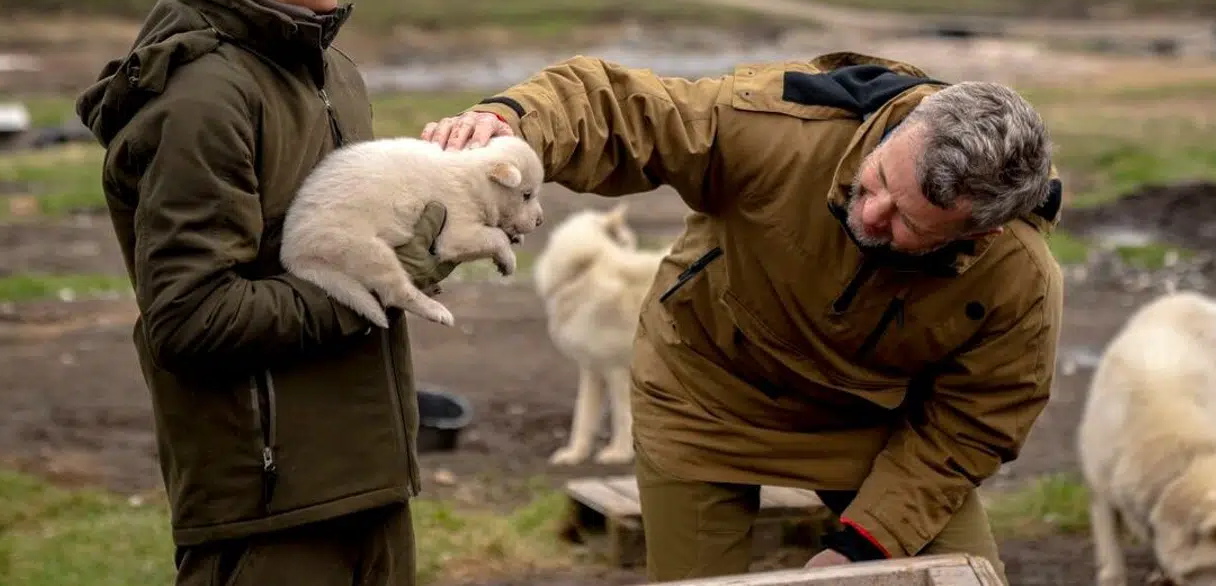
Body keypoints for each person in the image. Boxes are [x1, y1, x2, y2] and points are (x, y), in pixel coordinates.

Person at [422, 52, 1064, 585]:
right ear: (899, 131)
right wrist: (510, 123)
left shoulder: (1019, 279)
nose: (871, 216)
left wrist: (865, 544)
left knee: (963, 577)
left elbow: (973, 424)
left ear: (979, 234)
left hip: (868, 427)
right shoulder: (785, 127)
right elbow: (622, 108)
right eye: (876, 184)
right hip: (706, 395)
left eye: (907, 222)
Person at [75, 0, 456, 586]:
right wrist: (385, 277)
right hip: (268, 519)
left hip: (370, 489)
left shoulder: (332, 73)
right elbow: (191, 318)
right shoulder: (202, 99)